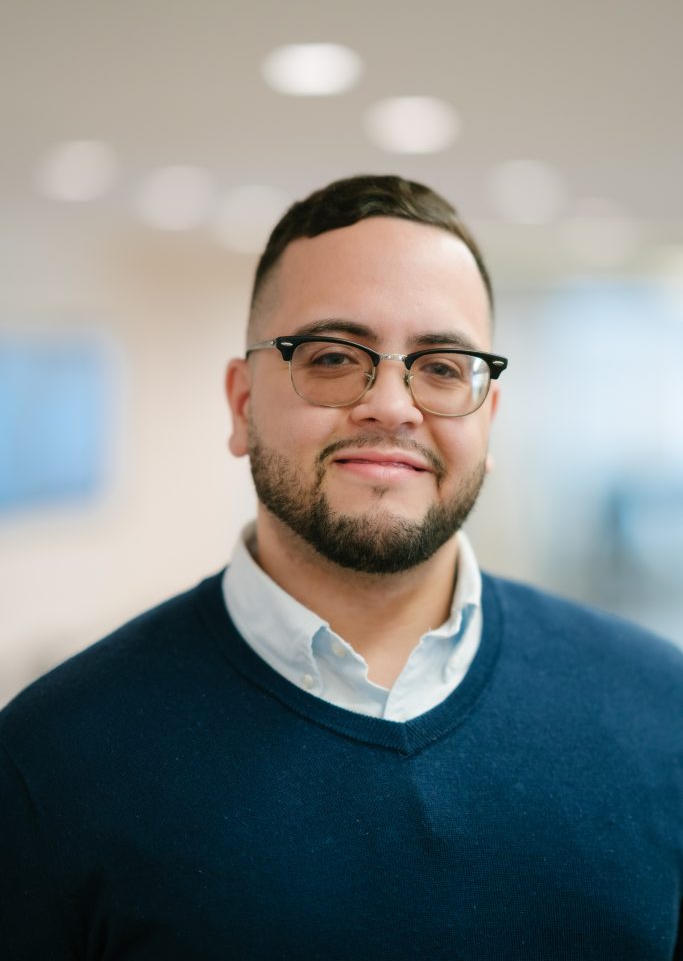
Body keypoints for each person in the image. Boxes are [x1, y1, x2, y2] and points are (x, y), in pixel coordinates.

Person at [1, 175, 681, 960]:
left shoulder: (658, 710)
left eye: (442, 365)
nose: (391, 404)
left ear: (486, 420)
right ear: (240, 404)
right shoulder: (50, 762)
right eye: (330, 356)